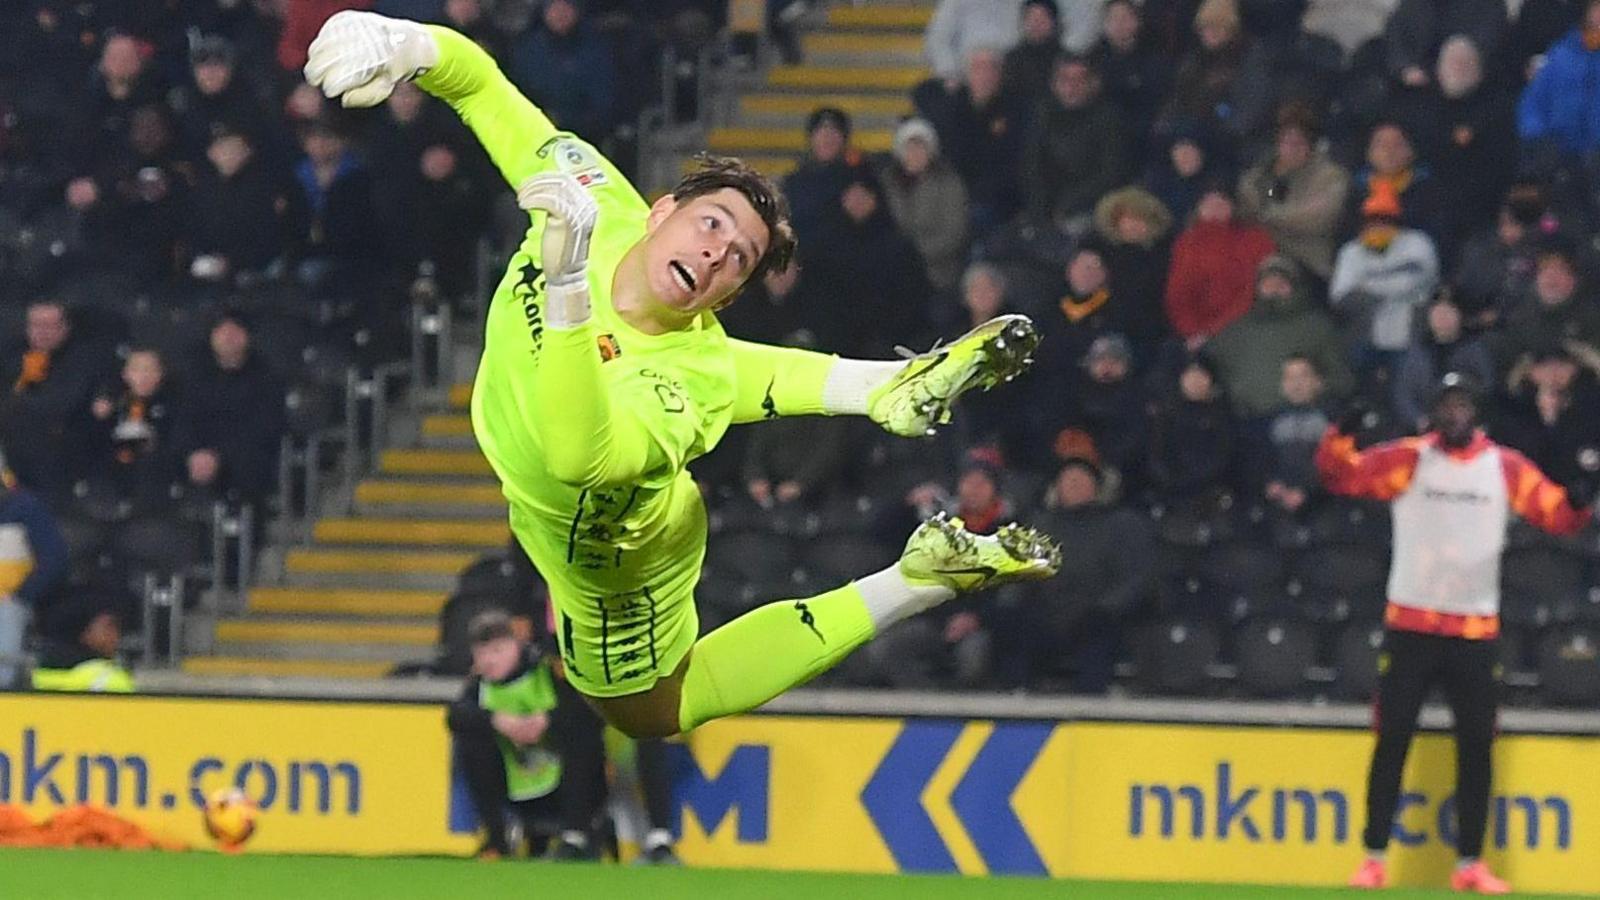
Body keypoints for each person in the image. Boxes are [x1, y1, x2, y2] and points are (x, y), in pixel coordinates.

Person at [305, 11, 1062, 739]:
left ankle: (919, 580)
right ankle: (885, 390)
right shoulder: (597, 201)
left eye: (736, 260)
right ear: (660, 209)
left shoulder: (684, 382)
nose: (715, 253)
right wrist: (407, 41)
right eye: (711, 225)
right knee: (718, 369)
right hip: (612, 431)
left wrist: (568, 291)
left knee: (648, 713)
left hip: (617, 544)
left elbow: (578, 458)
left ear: (728, 297)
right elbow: (483, 87)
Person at [1320, 373, 1594, 894]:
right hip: (1412, 624)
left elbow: (1557, 515)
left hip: (1473, 628)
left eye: (1463, 404)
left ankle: (1470, 862)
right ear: (1435, 410)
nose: (1455, 414)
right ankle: (1373, 856)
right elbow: (1342, 476)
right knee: (1392, 740)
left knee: (1477, 747)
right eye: (1447, 405)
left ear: (1477, 410)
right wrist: (1340, 433)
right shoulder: (1409, 459)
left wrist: (1579, 502)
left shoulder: (1504, 467)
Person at [446, 609, 572, 859]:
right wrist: (498, 720)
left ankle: (578, 835)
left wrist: (546, 721)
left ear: (517, 646)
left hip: (561, 780)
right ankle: (496, 837)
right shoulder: (478, 687)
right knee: (469, 739)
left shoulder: (545, 670)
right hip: (512, 782)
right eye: (482, 653)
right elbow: (455, 717)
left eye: (497, 651)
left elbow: (580, 712)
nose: (489, 661)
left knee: (582, 741)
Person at [0, 449, 69, 690]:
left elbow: (54, 559)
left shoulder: (25, 508)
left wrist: (21, 594)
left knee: (6, 615)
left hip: (11, 601)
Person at [30, 596, 134, 694]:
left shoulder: (34, 677)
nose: (116, 635)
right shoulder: (111, 679)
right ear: (84, 632)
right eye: (110, 626)